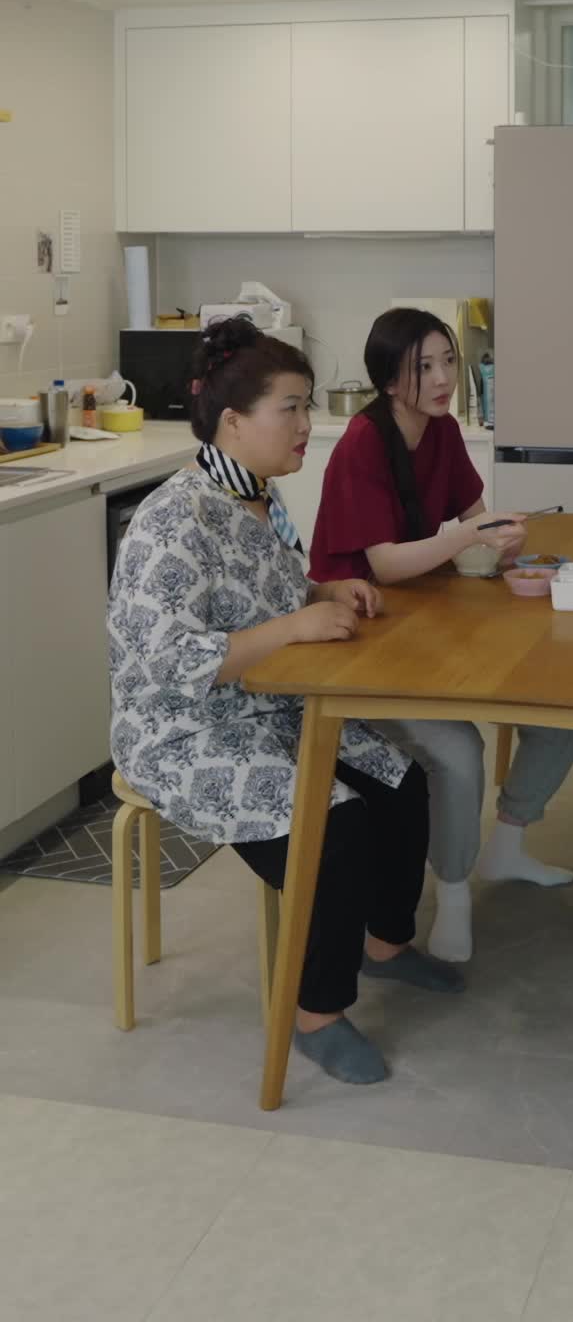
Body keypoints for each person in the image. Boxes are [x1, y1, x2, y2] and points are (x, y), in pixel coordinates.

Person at [108, 316, 463, 1091]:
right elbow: (169, 662)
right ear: (234, 421)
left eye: (307, 406)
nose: (307, 425)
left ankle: (386, 945)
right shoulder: (174, 519)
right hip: (183, 732)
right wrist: (294, 626)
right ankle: (317, 1016)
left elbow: (267, 594)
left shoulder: (257, 498)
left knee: (401, 781)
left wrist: (321, 592)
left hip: (269, 706)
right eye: (291, 409)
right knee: (334, 826)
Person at [309, 307, 573, 963]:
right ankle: (454, 894)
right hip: (357, 635)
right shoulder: (362, 444)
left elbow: (474, 519)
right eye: (423, 367)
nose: (442, 379)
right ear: (388, 378)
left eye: (448, 362)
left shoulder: (444, 430)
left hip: (424, 619)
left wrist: (501, 536)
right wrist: (466, 537)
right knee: (457, 750)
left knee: (563, 706)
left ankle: (508, 844)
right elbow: (384, 564)